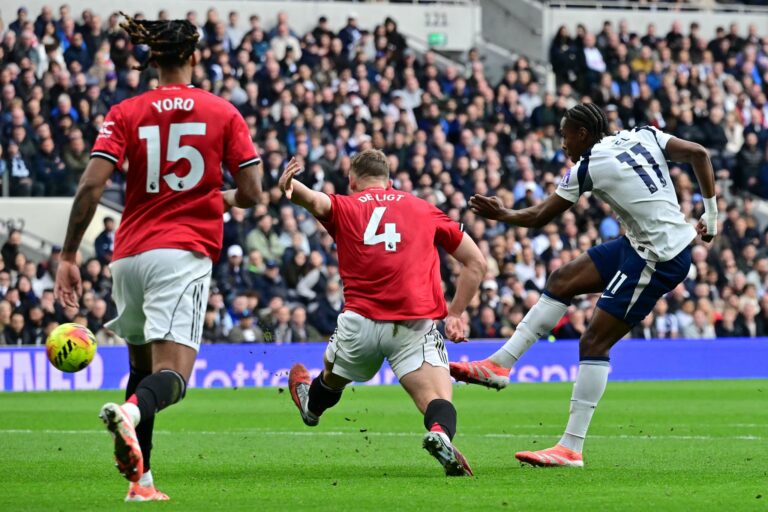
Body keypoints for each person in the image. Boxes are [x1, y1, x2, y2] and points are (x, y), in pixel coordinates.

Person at [53, 13, 262, 502]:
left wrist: (68, 254)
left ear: (153, 60)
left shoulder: (125, 111)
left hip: (128, 256)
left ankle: (141, 483)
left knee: (142, 370)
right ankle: (128, 414)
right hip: (181, 253)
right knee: (173, 377)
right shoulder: (222, 112)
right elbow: (253, 193)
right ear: (194, 56)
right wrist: (216, 197)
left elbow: (91, 185)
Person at [450, 104, 716, 468]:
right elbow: (699, 153)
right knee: (561, 280)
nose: (563, 145)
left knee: (593, 342)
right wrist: (711, 215)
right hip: (641, 244)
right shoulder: (645, 134)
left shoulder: (589, 166)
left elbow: (539, 216)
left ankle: (571, 448)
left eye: (565, 136)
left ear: (582, 134)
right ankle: (499, 365)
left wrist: (502, 214)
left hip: (659, 257)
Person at [280, 149, 486, 477]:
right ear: (389, 181)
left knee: (332, 377)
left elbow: (314, 200)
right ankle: (440, 434)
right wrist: (456, 313)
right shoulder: (424, 209)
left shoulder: (345, 205)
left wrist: (291, 185)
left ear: (352, 181)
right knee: (436, 397)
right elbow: (476, 262)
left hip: (360, 323)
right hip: (413, 325)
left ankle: (311, 407)